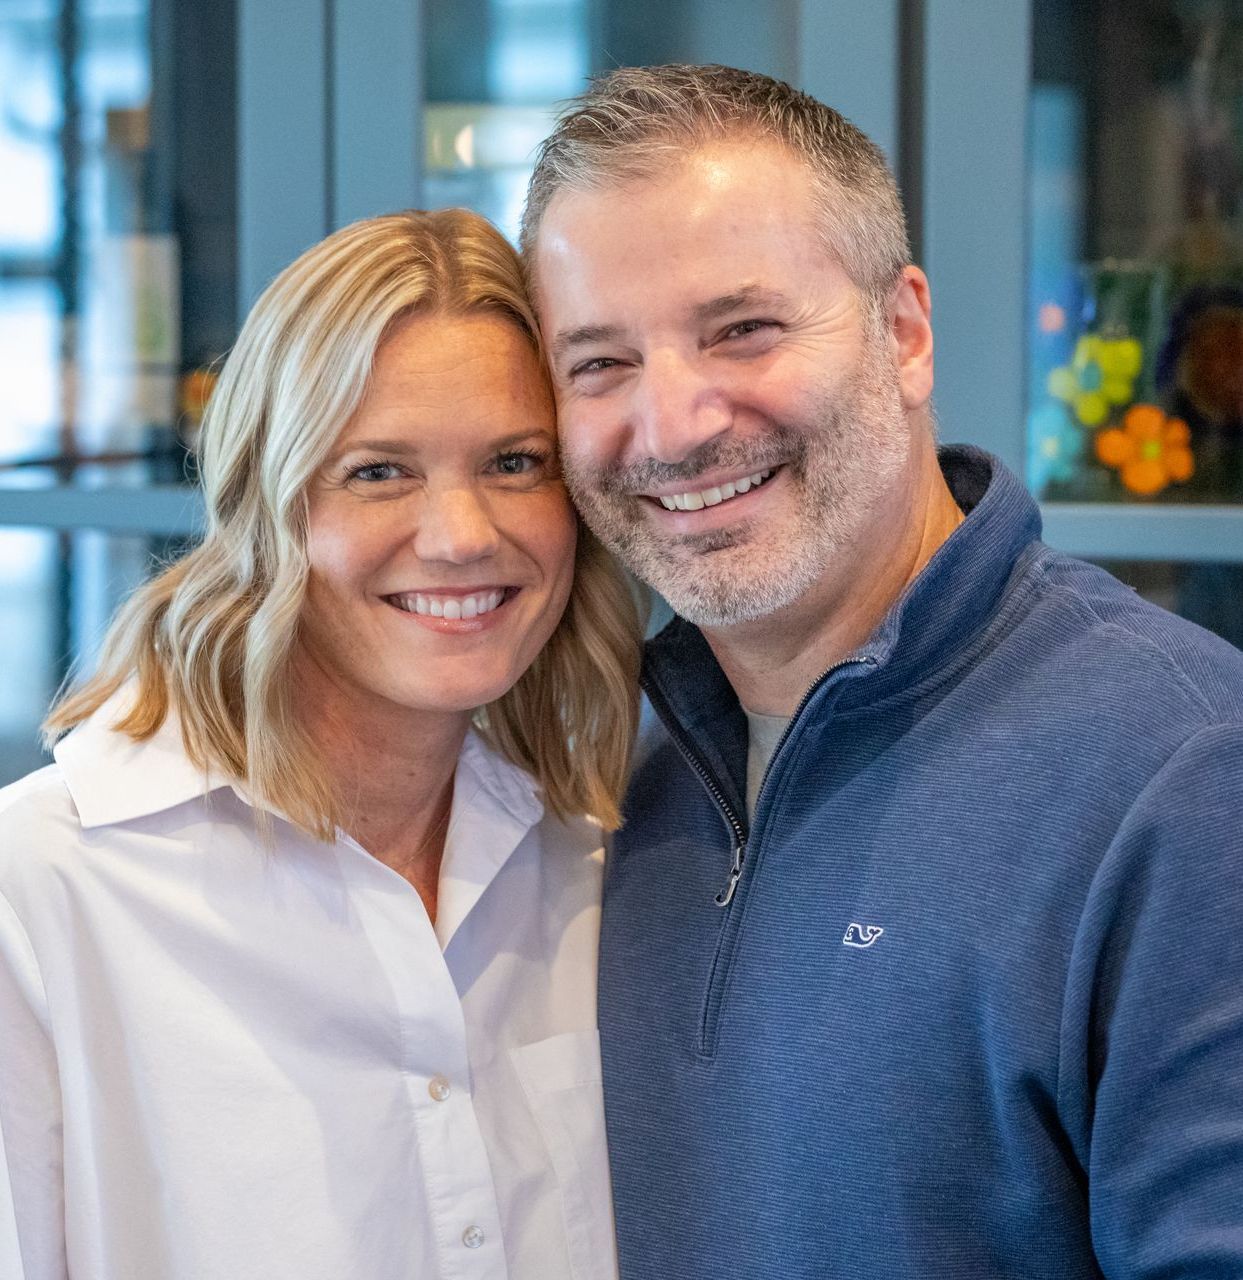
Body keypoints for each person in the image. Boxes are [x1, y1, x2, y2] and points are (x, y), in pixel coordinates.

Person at [520, 63, 1243, 1278]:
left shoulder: (1185, 773)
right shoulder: (587, 765)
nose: (674, 423)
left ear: (902, 332)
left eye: (741, 330)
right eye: (599, 363)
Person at [0, 207, 641, 1280]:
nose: (462, 535)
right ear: (267, 505)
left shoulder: (592, 862)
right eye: (378, 471)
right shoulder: (41, 888)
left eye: (515, 462)